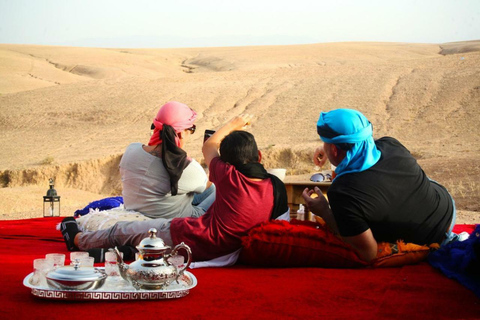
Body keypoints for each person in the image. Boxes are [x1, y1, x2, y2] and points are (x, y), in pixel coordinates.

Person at [61, 114, 289, 262]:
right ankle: (128, 252)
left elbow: (209, 145)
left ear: (226, 164)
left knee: (125, 229)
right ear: (259, 156)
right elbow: (281, 228)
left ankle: (79, 240)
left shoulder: (227, 176)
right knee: (144, 238)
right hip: (231, 250)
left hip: (196, 238)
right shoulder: (277, 186)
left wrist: (234, 124)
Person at [302, 108, 456, 262]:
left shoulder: (343, 191)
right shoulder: (391, 144)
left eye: (326, 143)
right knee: (414, 178)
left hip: (429, 239)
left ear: (334, 150)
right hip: (447, 210)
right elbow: (361, 144)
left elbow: (368, 253)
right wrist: (328, 147)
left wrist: (325, 212)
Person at [119, 101, 215, 219]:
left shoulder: (131, 150)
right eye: (191, 129)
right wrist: (212, 153)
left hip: (139, 210)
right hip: (178, 222)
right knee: (217, 189)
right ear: (181, 134)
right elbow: (210, 181)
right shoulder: (186, 167)